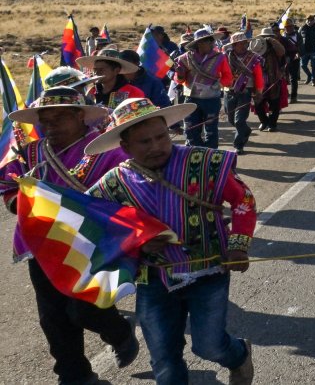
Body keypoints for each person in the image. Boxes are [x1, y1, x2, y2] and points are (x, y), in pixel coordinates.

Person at [85, 98, 256, 385]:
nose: (156, 146)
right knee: (164, 357)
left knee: (209, 346)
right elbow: (97, 228)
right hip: (154, 278)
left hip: (209, 271)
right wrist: (134, 245)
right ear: (125, 148)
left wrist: (238, 245)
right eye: (144, 142)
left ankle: (238, 354)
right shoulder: (112, 185)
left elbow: (244, 200)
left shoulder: (205, 163)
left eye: (161, 136)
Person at [1, 88, 139, 385]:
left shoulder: (106, 150)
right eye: (45, 121)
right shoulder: (30, 152)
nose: (50, 127)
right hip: (44, 244)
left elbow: (129, 190)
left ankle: (119, 331)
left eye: (59, 118)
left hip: (92, 244)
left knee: (84, 308)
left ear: (79, 116)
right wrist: (20, 201)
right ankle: (74, 375)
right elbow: (9, 187)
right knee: (53, 318)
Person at [172, 28, 233, 149]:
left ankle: (210, 156)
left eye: (211, 41)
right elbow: (179, 80)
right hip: (191, 99)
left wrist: (218, 85)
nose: (211, 43)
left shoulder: (220, 57)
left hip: (211, 99)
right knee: (191, 129)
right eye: (207, 41)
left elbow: (228, 77)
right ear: (198, 43)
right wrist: (179, 74)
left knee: (211, 130)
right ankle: (196, 154)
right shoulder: (185, 58)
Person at [223, 32, 264, 154]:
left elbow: (258, 75)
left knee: (239, 120)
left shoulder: (253, 57)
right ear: (234, 45)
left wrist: (258, 91)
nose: (243, 45)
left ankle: (239, 145)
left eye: (244, 43)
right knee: (230, 119)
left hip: (245, 92)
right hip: (229, 91)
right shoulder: (225, 57)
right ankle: (245, 130)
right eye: (240, 44)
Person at [78, 47, 146, 109]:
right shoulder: (91, 91)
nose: (96, 73)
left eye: (101, 70)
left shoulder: (134, 93)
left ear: (116, 71)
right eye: (95, 70)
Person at [252, 27, 289, 132]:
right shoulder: (256, 47)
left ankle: (272, 123)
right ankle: (264, 121)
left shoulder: (275, 48)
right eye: (263, 37)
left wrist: (271, 40)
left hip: (273, 80)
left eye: (267, 37)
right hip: (258, 83)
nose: (265, 39)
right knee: (258, 105)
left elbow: (282, 52)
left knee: (274, 104)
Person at [299, 15, 315, 85]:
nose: (309, 22)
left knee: (313, 66)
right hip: (304, 51)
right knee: (303, 65)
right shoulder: (302, 28)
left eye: (311, 20)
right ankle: (309, 75)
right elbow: (299, 39)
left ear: (314, 21)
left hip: (314, 50)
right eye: (308, 20)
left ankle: (313, 80)